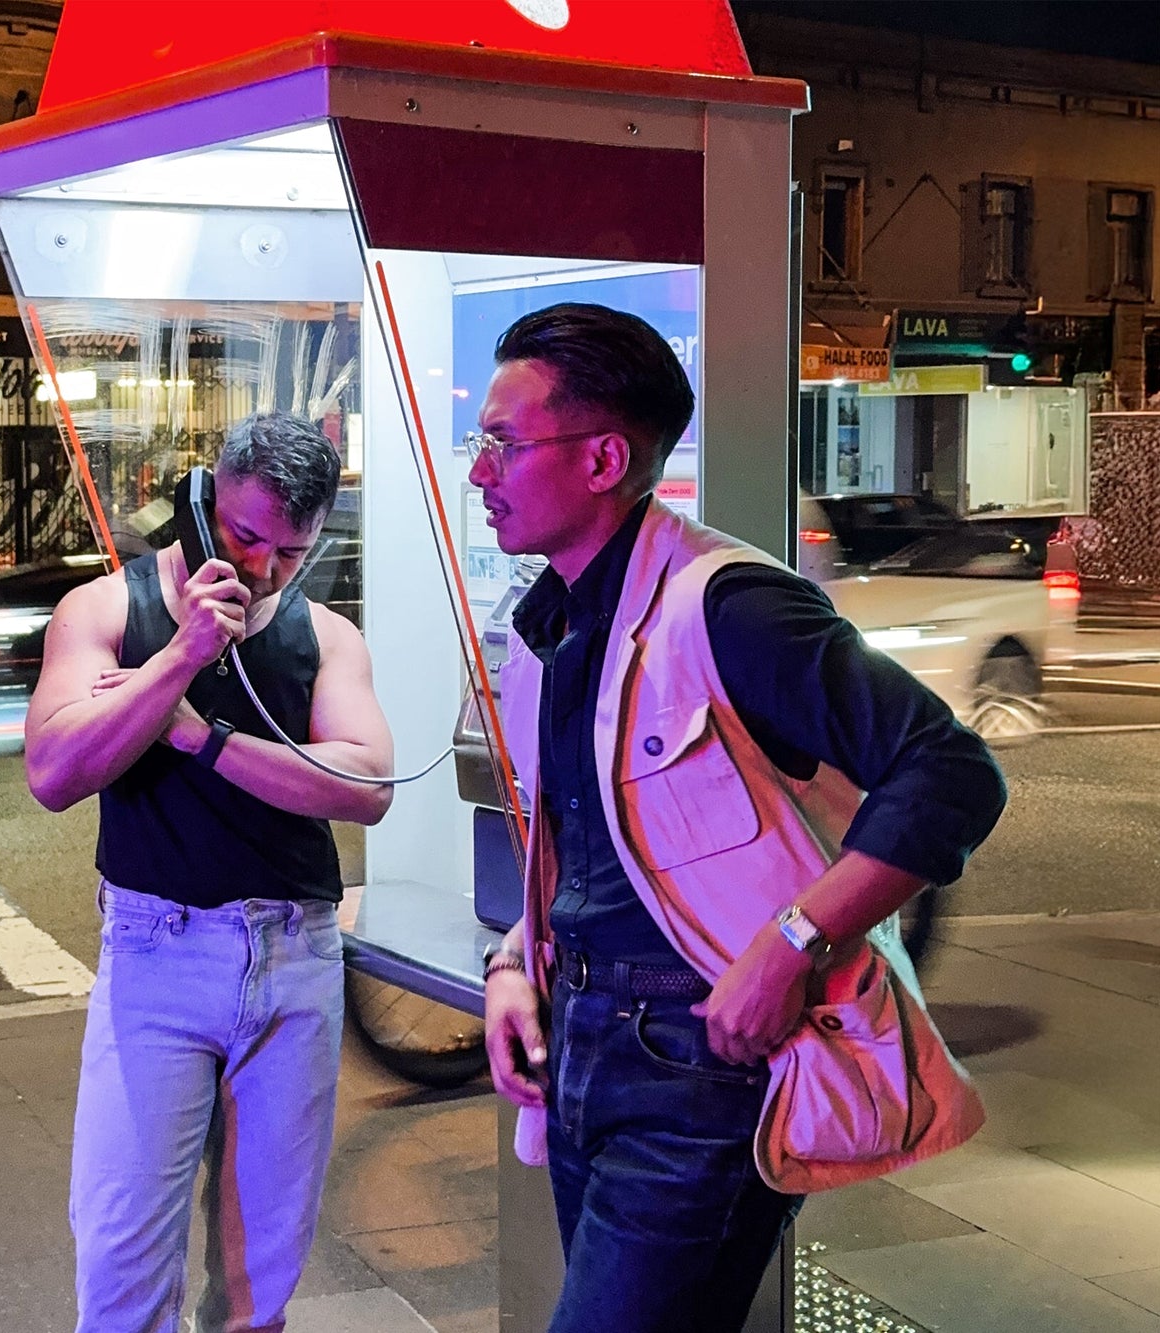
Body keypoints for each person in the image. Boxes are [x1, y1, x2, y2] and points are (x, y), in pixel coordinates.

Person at [470, 304, 1006, 1332]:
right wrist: (511, 965)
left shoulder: (728, 605)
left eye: (503, 443)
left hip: (694, 1066)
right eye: (478, 443)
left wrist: (791, 944)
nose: (480, 473)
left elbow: (948, 770)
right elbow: (591, 851)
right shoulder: (557, 619)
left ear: (602, 459)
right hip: (580, 1045)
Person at [25, 411, 395, 1333]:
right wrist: (181, 656)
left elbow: (366, 786)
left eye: (292, 551)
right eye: (244, 536)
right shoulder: (108, 610)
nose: (263, 568)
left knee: (258, 1277)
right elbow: (55, 772)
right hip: (159, 950)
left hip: (294, 952)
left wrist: (198, 734)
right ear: (201, 499)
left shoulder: (325, 637)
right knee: (120, 1263)